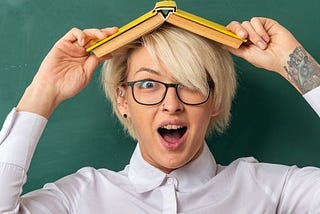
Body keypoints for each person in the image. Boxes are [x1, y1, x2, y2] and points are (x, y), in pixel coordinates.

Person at [0, 16, 319, 213]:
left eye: (190, 84)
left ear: (216, 99)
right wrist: (45, 89)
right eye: (149, 83)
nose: (171, 104)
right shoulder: (79, 197)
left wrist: (294, 62)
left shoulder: (274, 191)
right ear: (123, 100)